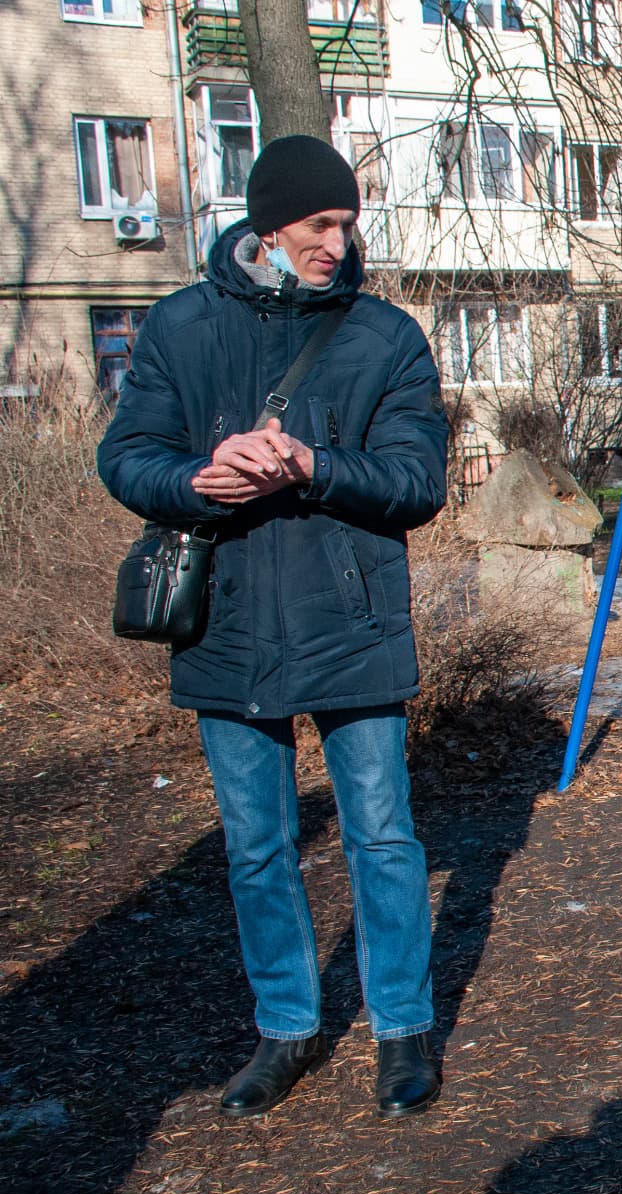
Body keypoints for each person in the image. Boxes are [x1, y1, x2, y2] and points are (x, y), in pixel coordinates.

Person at [97, 135, 448, 1118]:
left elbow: (419, 482)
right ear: (267, 228)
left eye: (347, 224)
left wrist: (315, 466)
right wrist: (194, 479)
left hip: (354, 623)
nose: (339, 242)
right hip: (228, 623)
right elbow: (128, 456)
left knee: (382, 835)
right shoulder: (180, 327)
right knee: (256, 844)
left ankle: (403, 1032)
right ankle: (286, 1031)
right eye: (318, 226)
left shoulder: (386, 338)